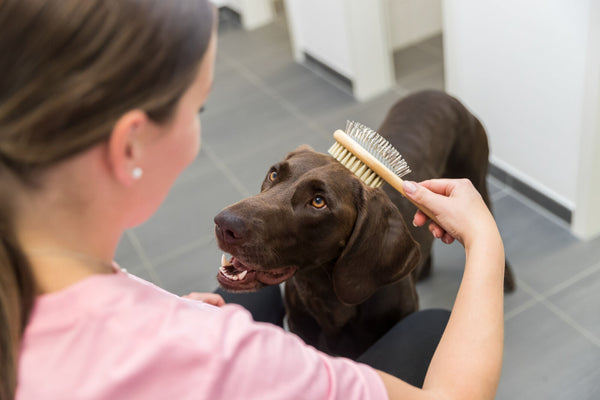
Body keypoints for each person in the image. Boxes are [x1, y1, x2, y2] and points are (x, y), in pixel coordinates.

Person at [0, 1, 505, 399]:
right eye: (197, 107)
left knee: (255, 296)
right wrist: (484, 241)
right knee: (435, 324)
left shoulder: (47, 276)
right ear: (129, 143)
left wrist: (174, 310)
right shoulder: (246, 363)